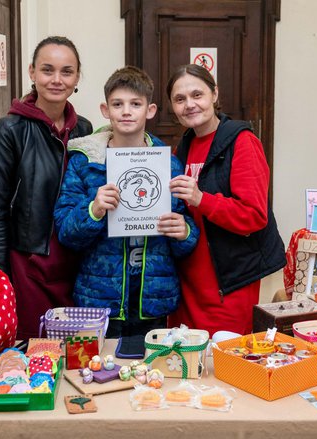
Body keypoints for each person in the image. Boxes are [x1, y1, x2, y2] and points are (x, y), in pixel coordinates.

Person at [54, 66, 199, 348]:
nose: (126, 111)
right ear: (105, 110)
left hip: (153, 298)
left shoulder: (168, 164)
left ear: (151, 110)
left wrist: (184, 233)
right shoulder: (86, 162)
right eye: (117, 104)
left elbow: (187, 231)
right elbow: (65, 232)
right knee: (101, 372)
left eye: (136, 104)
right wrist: (93, 210)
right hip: (100, 298)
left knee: (150, 376)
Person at [0, 36, 93, 340]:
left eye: (66, 71)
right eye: (47, 70)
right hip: (29, 263)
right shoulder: (10, 130)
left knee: (78, 350)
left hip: (74, 259)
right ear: (32, 72)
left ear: (77, 77)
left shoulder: (84, 129)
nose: (57, 80)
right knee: (36, 349)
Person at [166, 64, 286, 336]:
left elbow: (254, 215)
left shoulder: (242, 142)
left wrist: (201, 198)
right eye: (180, 99)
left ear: (214, 94)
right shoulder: (182, 147)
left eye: (197, 95)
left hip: (227, 284)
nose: (189, 105)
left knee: (223, 366)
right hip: (187, 282)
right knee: (187, 366)